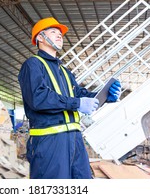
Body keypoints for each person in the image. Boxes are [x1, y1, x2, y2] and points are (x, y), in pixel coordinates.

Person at [18, 17, 121, 179]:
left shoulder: (65, 71)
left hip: (75, 140)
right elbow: (38, 98)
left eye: (60, 33)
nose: (60, 35)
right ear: (40, 38)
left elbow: (79, 95)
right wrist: (77, 103)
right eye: (53, 32)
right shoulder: (33, 65)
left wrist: (106, 95)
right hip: (49, 142)